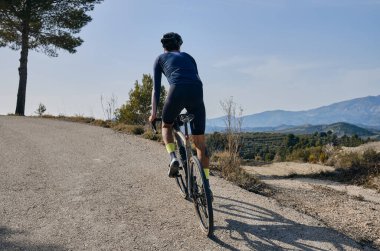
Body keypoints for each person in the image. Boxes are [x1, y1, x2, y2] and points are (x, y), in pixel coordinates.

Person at [149, 32, 210, 184]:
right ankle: (206, 185)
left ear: (164, 47)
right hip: (197, 91)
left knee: (166, 125)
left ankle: (173, 158)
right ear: (179, 46)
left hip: (176, 90)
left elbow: (156, 89)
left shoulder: (159, 59)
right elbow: (193, 78)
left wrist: (153, 114)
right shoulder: (189, 57)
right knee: (200, 143)